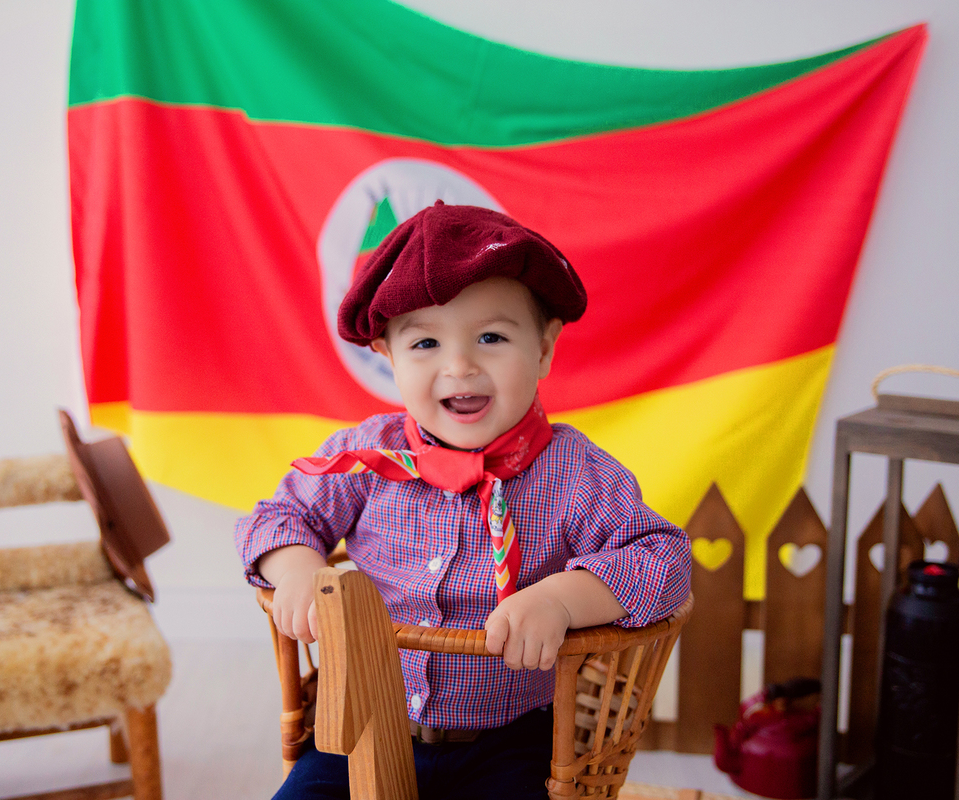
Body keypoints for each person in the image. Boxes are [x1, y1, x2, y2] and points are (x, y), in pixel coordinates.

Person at [235, 201, 691, 799]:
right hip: (361, 724)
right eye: (424, 343)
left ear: (545, 349)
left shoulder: (576, 474)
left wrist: (561, 599)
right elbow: (276, 516)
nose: (460, 366)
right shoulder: (367, 457)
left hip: (508, 739)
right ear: (388, 357)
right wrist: (297, 567)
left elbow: (662, 558)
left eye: (492, 337)